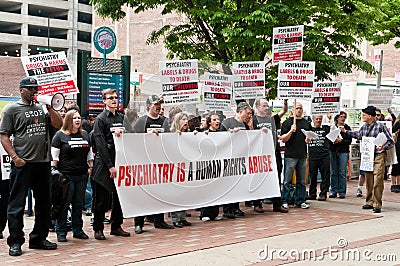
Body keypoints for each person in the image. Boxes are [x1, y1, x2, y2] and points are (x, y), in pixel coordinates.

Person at [0, 77, 63, 256]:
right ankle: (15, 241)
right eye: (30, 89)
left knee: (44, 203)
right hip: (23, 163)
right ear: (21, 90)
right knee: (17, 204)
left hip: (42, 163)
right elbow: (4, 136)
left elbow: (58, 124)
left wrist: (50, 106)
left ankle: (38, 238)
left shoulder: (42, 108)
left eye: (36, 88)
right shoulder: (11, 110)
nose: (34, 91)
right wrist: (15, 157)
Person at [91, 88, 131, 240]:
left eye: (116, 98)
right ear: (104, 101)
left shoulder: (122, 117)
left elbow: (131, 137)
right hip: (104, 165)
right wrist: (110, 166)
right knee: (101, 200)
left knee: (119, 197)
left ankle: (116, 226)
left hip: (119, 162)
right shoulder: (100, 119)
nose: (114, 100)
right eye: (110, 98)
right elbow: (100, 144)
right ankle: (98, 228)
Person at [132, 95, 174, 233]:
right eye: (156, 104)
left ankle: (159, 220)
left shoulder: (165, 121)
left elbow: (170, 140)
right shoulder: (142, 121)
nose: (159, 106)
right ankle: (139, 223)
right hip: (144, 163)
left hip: (160, 162)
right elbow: (133, 141)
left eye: (160, 104)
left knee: (160, 193)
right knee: (142, 194)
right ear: (149, 105)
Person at [341, 106, 394, 213]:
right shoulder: (364, 126)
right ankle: (369, 201)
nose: (362, 116)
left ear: (370, 116)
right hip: (368, 156)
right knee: (369, 179)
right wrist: (346, 131)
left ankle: (377, 203)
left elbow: (390, 141)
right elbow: (358, 135)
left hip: (379, 155)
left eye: (364, 115)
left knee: (378, 180)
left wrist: (383, 147)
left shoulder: (381, 126)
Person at [51, 110, 94, 242]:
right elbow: (55, 157)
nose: (77, 120)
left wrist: (90, 167)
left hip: (81, 175)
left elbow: (89, 153)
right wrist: (54, 172)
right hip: (66, 177)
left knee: (78, 204)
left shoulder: (85, 134)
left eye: (79, 118)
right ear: (69, 120)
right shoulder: (59, 136)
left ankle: (78, 230)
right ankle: (61, 231)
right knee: (64, 204)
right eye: (74, 118)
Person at [252, 98, 289, 213]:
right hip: (259, 154)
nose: (267, 108)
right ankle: (257, 203)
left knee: (276, 177)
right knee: (258, 178)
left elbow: (283, 111)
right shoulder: (253, 120)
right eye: (264, 106)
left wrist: (285, 103)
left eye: (267, 105)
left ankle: (277, 204)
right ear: (257, 107)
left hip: (274, 152)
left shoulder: (272, 119)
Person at [220, 102, 253, 218]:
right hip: (229, 159)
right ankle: (227, 209)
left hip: (240, 158)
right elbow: (219, 138)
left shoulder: (246, 124)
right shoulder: (227, 122)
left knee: (238, 185)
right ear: (240, 112)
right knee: (228, 185)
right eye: (248, 113)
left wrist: (250, 127)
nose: (249, 115)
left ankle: (236, 207)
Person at [280, 101, 311, 210]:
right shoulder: (287, 123)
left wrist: (308, 139)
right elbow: (283, 139)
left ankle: (300, 200)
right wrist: (291, 131)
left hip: (302, 154)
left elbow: (309, 136)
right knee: (287, 180)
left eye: (301, 108)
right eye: (297, 108)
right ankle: (285, 200)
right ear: (292, 110)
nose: (299, 110)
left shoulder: (306, 123)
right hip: (290, 155)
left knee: (301, 181)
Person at [168, 112, 193, 228]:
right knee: (175, 193)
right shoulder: (171, 134)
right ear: (177, 121)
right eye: (183, 119)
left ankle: (182, 217)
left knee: (184, 193)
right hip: (174, 168)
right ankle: (175, 218)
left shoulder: (189, 134)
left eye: (186, 119)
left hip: (186, 168)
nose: (186, 122)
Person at [199, 113, 223, 221]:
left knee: (217, 189)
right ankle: (205, 213)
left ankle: (215, 213)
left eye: (218, 120)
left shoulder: (221, 133)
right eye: (214, 120)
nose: (217, 121)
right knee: (207, 189)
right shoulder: (203, 133)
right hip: (206, 164)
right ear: (209, 122)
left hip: (217, 164)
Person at [328, 112, 352, 199]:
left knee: (342, 172)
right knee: (333, 171)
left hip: (343, 151)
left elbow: (349, 141)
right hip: (333, 151)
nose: (342, 118)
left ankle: (342, 191)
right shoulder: (332, 127)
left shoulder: (347, 128)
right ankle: (333, 190)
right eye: (341, 117)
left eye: (344, 117)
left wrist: (341, 141)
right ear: (337, 118)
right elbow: (328, 138)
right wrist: (333, 141)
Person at [307, 115, 330, 201]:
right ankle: (312, 193)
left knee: (325, 175)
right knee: (312, 176)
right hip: (313, 156)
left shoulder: (326, 128)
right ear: (313, 119)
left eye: (320, 119)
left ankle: (323, 193)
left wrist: (329, 118)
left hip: (324, 155)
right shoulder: (309, 128)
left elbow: (334, 129)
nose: (318, 120)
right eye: (316, 119)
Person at [390, 112, 400, 193]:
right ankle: (393, 184)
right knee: (396, 165)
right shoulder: (398, 123)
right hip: (397, 147)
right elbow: (393, 133)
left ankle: (398, 184)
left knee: (398, 166)